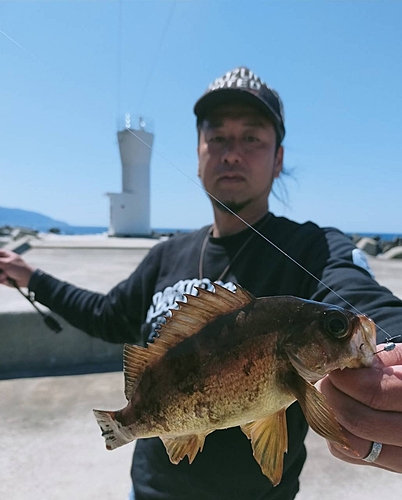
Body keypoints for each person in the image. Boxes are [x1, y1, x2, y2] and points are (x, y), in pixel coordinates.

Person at [1, 66, 402, 499]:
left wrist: (395, 347)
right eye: (218, 138)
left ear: (278, 158)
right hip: (150, 490)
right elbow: (107, 316)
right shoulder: (165, 256)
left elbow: (361, 296)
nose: (232, 153)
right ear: (198, 153)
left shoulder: (314, 247)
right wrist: (31, 276)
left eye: (252, 138)